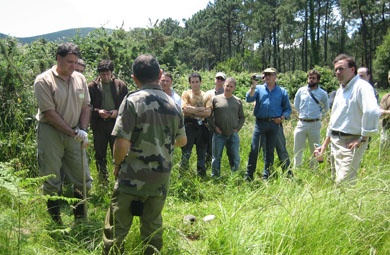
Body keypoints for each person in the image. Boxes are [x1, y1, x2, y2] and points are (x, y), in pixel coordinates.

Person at [102, 54, 187, 255]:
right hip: (160, 178)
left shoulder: (132, 101)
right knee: (152, 227)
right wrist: (161, 139)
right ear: (159, 75)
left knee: (116, 228)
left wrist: (117, 165)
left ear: (134, 78)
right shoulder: (173, 104)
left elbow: (121, 142)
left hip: (131, 176)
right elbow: (182, 141)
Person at [34, 42, 92, 224]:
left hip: (75, 131)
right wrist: (72, 132)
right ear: (58, 59)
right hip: (51, 133)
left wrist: (82, 129)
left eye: (76, 62)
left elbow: (85, 106)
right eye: (69, 62)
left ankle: (80, 218)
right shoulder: (44, 81)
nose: (73, 66)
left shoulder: (79, 79)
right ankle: (56, 222)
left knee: (82, 177)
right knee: (52, 178)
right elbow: (49, 114)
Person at [316, 54, 380, 183]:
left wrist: (363, 138)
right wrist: (324, 145)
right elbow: (334, 120)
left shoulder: (363, 87)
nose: (338, 72)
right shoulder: (340, 90)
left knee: (344, 183)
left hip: (351, 142)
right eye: (336, 70)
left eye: (341, 69)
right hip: (335, 141)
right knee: (335, 181)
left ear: (352, 69)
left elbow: (372, 111)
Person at [245, 68, 291, 180]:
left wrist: (282, 118)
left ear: (275, 76)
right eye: (265, 74)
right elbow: (249, 99)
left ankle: (267, 175)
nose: (267, 77)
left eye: (270, 74)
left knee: (270, 152)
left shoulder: (282, 91)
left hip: (274, 124)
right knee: (254, 150)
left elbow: (287, 109)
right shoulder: (258, 89)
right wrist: (253, 84)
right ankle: (249, 176)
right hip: (260, 123)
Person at [88, 60, 128, 183]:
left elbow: (126, 104)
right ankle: (103, 180)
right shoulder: (92, 86)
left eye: (107, 73)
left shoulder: (120, 85)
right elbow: (87, 106)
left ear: (112, 73)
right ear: (99, 73)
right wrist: (97, 112)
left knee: (119, 153)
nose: (105, 76)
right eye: (102, 74)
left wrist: (117, 112)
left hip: (116, 123)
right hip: (99, 124)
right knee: (100, 153)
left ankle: (120, 179)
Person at [208, 77, 245, 177]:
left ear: (234, 88)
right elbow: (209, 116)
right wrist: (215, 128)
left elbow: (242, 117)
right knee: (216, 157)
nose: (228, 88)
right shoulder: (215, 99)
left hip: (233, 134)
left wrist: (237, 128)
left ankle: (234, 177)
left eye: (231, 86)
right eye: (227, 86)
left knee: (235, 157)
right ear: (224, 86)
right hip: (219, 134)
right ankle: (215, 177)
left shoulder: (238, 101)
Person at [293, 70, 329, 168]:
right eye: (310, 78)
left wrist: (319, 116)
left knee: (315, 149)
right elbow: (296, 105)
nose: (311, 80)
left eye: (313, 78)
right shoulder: (301, 91)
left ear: (318, 80)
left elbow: (326, 108)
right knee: (298, 148)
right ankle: (297, 168)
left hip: (315, 124)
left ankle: (313, 169)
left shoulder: (323, 93)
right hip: (302, 123)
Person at [180, 72, 212, 176]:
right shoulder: (186, 94)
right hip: (189, 126)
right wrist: (200, 109)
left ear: (200, 82)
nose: (195, 84)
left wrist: (192, 110)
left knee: (202, 153)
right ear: (190, 83)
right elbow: (184, 110)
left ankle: (201, 175)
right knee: (186, 153)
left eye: (197, 82)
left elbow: (208, 112)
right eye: (192, 82)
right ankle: (183, 175)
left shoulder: (206, 95)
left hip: (202, 127)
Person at [205, 72, 227, 168]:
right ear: (215, 79)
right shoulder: (208, 93)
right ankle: (207, 165)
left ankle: (217, 166)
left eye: (221, 79)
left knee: (219, 148)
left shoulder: (226, 93)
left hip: (221, 125)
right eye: (217, 78)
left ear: (224, 82)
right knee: (208, 146)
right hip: (208, 124)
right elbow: (204, 108)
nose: (219, 80)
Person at [379, 71, 390, 148]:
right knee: (384, 151)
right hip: (386, 129)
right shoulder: (386, 97)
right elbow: (380, 114)